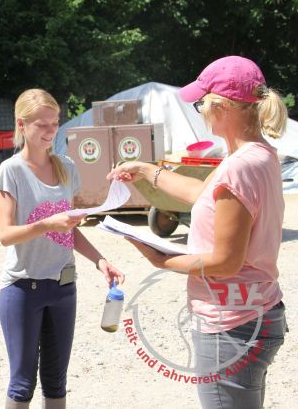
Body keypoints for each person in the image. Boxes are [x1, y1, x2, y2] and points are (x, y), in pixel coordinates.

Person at [107, 56, 288, 409]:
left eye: (202, 103)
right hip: (256, 312)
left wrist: (162, 260)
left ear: (223, 107)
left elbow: (226, 262)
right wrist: (145, 170)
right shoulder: (258, 155)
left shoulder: (238, 166)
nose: (201, 110)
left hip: (231, 325)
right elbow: (201, 194)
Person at [0, 88, 125, 409]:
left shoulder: (67, 166)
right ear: (21, 124)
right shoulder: (11, 170)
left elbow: (69, 230)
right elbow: (5, 235)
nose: (51, 131)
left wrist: (100, 260)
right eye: (42, 124)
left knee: (56, 382)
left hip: (64, 287)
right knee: (22, 383)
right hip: (23, 288)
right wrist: (48, 224)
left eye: (54, 123)